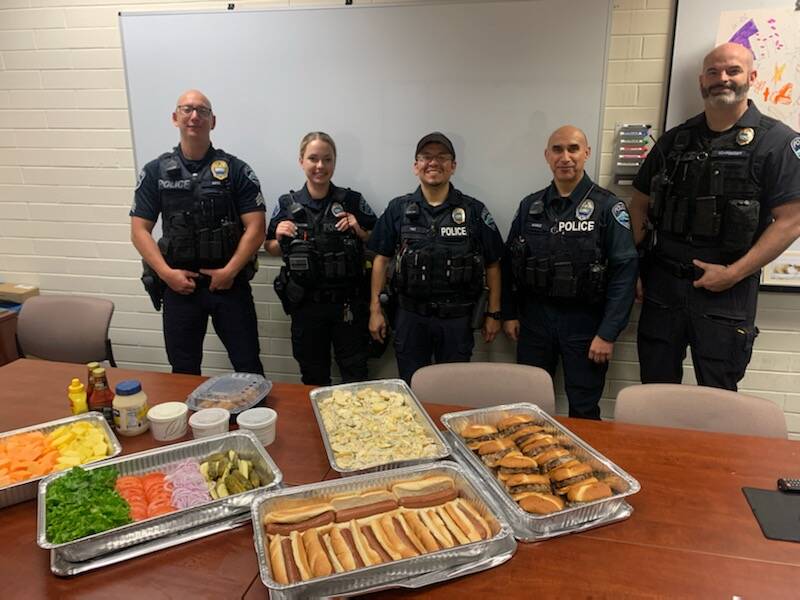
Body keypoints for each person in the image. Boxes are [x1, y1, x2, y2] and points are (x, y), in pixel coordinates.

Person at [630, 42, 800, 390]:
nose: (722, 78)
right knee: (655, 387)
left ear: (751, 77)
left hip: (728, 290)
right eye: (713, 72)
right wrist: (634, 268)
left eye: (733, 70)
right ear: (701, 82)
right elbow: (638, 204)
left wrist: (733, 273)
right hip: (664, 285)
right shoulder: (674, 140)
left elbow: (792, 220)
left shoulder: (777, 143)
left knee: (719, 395)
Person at [502, 126, 638, 419]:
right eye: (558, 149)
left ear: (586, 153)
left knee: (584, 407)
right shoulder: (530, 206)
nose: (565, 157)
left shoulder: (607, 207)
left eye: (573, 149)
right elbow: (510, 263)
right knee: (529, 404)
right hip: (535, 320)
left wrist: (608, 333)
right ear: (547, 156)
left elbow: (624, 273)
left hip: (585, 323)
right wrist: (509, 313)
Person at [130, 89, 266, 376]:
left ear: (213, 121)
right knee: (183, 369)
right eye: (187, 109)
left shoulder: (236, 170)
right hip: (180, 286)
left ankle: (254, 421)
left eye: (202, 111)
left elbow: (256, 227)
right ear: (175, 117)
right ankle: (188, 423)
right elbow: (139, 230)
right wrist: (167, 275)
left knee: (248, 364)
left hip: (229, 285)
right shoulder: (156, 172)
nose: (194, 116)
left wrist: (230, 271)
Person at [368, 132, 504, 384]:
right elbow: (381, 259)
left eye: (442, 157)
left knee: (452, 390)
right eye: (426, 157)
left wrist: (493, 313)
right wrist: (375, 309)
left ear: (453, 166)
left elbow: (493, 263)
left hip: (457, 319)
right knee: (410, 386)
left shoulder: (474, 210)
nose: (434, 162)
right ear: (415, 166)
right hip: (410, 316)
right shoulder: (398, 209)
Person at [265, 132, 376, 385]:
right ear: (301, 161)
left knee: (355, 374)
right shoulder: (287, 203)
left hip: (347, 307)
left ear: (334, 163)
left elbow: (376, 240)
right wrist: (278, 236)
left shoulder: (352, 200)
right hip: (306, 307)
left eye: (327, 159)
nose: (320, 166)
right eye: (313, 158)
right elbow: (269, 246)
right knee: (313, 377)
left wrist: (359, 229)